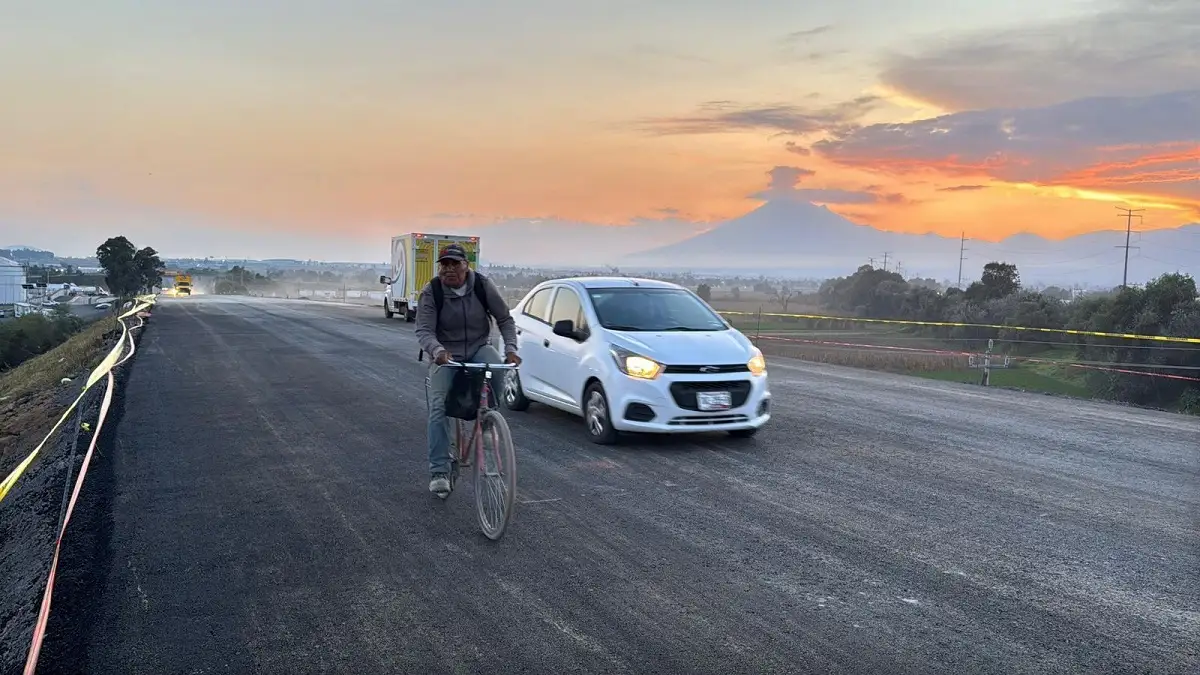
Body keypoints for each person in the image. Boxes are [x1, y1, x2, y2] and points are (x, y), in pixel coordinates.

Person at [414, 243, 520, 497]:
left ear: (466, 266)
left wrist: (511, 349)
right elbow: (424, 330)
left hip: (477, 347)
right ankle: (439, 470)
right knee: (439, 406)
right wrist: (437, 351)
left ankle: (488, 417)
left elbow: (505, 319)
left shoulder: (482, 286)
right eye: (444, 265)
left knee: (496, 366)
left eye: (455, 264)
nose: (449, 269)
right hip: (445, 354)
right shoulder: (432, 292)